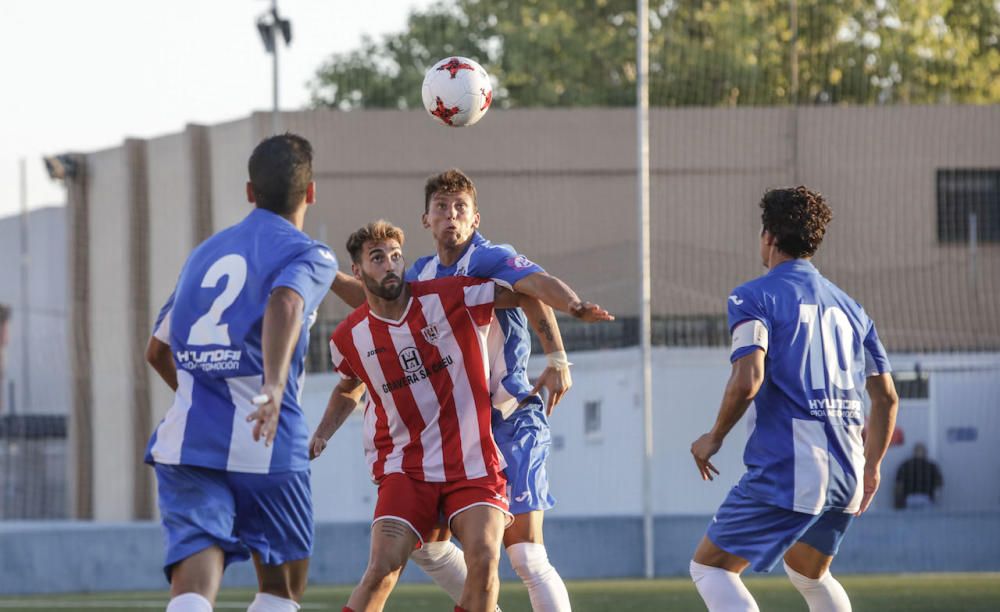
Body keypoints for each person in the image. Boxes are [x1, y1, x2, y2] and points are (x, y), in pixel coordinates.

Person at [310, 220, 611, 612]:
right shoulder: (348, 337)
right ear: (359, 270)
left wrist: (565, 326)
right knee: (382, 569)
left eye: (396, 257)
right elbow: (349, 385)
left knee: (489, 562)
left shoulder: (450, 294)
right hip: (407, 468)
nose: (390, 265)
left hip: (471, 462)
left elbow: (526, 289)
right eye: (378, 258)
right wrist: (322, 433)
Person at [144, 133, 338, 612]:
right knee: (281, 589)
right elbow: (286, 301)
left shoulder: (203, 254)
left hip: (188, 443)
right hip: (267, 443)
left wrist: (205, 394)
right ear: (311, 193)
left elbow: (156, 351)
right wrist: (271, 386)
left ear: (250, 192)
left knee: (193, 581)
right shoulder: (309, 254)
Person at [688, 186, 899, 612]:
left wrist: (713, 436)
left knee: (711, 569)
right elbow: (887, 398)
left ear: (768, 236)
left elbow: (748, 378)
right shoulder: (853, 309)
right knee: (808, 572)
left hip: (793, 466)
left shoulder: (755, 296)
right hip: (847, 469)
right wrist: (872, 466)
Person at [406, 169, 584, 612]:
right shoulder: (419, 274)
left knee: (525, 554)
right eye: (442, 207)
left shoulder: (488, 259)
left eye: (460, 207)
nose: (451, 215)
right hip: (455, 435)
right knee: (425, 544)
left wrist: (560, 354)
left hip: (508, 419)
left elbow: (534, 288)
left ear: (475, 218)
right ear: (425, 219)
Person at [894, 443, 943, 509]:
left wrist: (898, 502)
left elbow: (899, 485)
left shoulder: (905, 465)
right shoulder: (931, 466)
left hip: (910, 499)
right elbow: (938, 484)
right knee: (927, 519)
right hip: (926, 498)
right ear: (925, 452)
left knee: (908, 518)